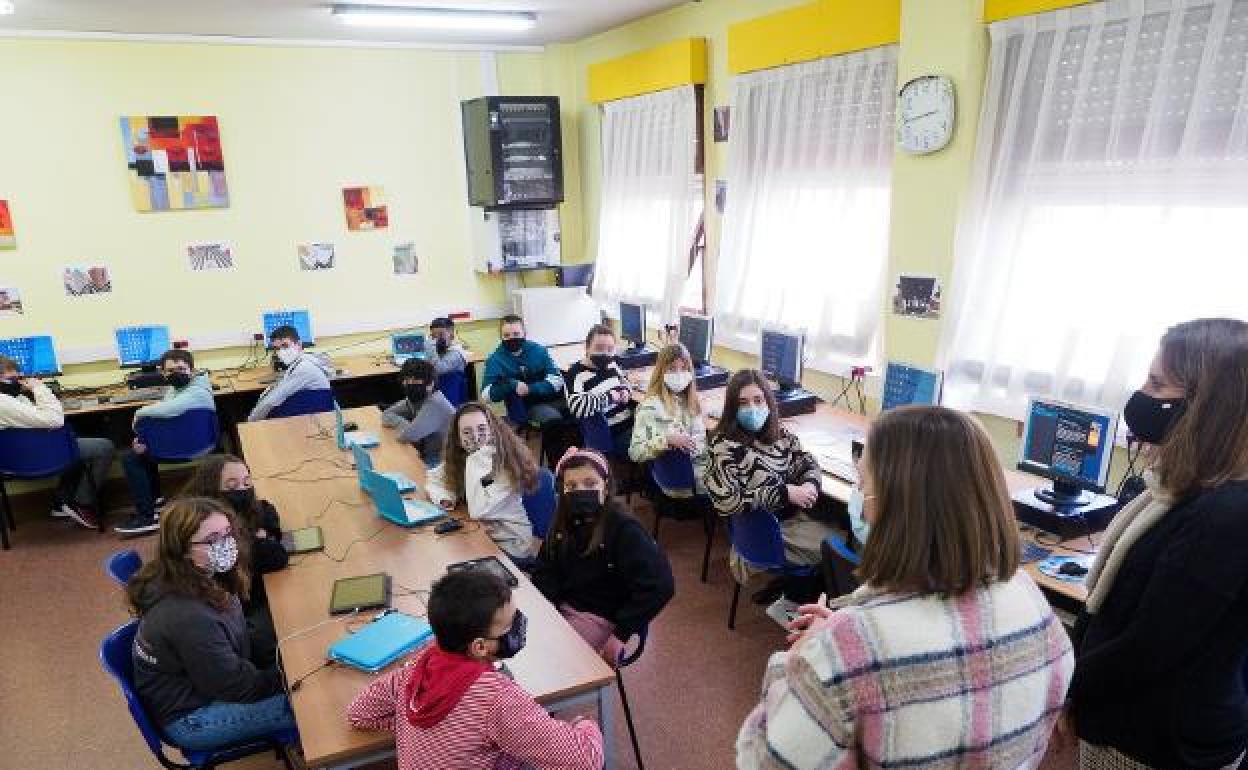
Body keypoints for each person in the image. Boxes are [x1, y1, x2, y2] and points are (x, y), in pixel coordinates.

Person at [737, 406, 1074, 770]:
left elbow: (761, 761)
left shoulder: (848, 648)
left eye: (862, 484)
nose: (858, 500)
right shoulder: (1035, 605)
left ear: (894, 507)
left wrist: (802, 658)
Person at [1069, 318, 1248, 770]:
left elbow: (1146, 648)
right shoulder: (1183, 488)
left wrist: (1066, 685)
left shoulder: (1226, 516)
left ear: (1208, 406)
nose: (1143, 395)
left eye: (1157, 383)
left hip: (1157, 743)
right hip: (1131, 722)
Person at [347, 569, 604, 770]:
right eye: (510, 625)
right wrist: (585, 723)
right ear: (479, 647)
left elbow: (359, 713)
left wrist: (414, 728)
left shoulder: (414, 669)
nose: (519, 625)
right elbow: (585, 760)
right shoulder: (496, 699)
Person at [127, 497, 295, 752]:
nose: (226, 544)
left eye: (228, 534)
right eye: (212, 539)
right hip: (193, 718)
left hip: (213, 685)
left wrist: (285, 658)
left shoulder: (206, 574)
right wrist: (290, 675)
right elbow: (238, 687)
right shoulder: (187, 615)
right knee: (310, 705)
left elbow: (236, 639)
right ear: (181, 548)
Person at [706, 369, 827, 627]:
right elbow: (725, 501)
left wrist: (809, 482)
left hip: (785, 521)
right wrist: (785, 493)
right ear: (732, 407)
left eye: (759, 400)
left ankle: (798, 599)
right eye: (743, 402)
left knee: (831, 520)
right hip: (767, 535)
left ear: (769, 402)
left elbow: (806, 460)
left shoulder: (779, 436)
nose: (753, 408)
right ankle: (804, 608)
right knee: (839, 544)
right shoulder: (723, 445)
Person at [532, 447, 674, 664]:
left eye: (590, 484)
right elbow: (546, 569)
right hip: (563, 606)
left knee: (544, 661)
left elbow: (660, 586)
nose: (580, 491)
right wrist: (545, 609)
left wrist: (622, 633)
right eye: (572, 486)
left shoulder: (623, 528)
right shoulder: (563, 520)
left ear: (605, 487)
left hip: (601, 616)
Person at [181, 454, 287, 666]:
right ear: (211, 490)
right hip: (236, 626)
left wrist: (263, 533)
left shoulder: (219, 515)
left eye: (247, 482)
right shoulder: (209, 529)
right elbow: (276, 556)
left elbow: (266, 509)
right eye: (232, 486)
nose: (243, 490)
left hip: (234, 609)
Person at [0, 354, 114, 529]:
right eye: (11, 379)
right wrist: (40, 388)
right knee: (103, 447)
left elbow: (37, 418)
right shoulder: (3, 402)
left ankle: (62, 503)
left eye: (18, 377)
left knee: (74, 444)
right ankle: (82, 504)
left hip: (23, 454)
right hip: (31, 457)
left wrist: (28, 398)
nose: (17, 382)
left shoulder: (11, 398)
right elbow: (54, 420)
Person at [116, 349, 216, 535]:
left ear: (192, 370)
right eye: (170, 371)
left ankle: (146, 517)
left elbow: (169, 409)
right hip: (188, 439)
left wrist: (139, 413)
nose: (175, 374)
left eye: (181, 368)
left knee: (131, 458)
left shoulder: (198, 391)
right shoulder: (176, 388)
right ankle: (155, 500)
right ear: (162, 373)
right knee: (141, 450)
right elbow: (164, 411)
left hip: (189, 445)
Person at [425, 402, 540, 560]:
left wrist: (477, 458)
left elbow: (478, 510)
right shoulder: (463, 457)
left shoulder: (505, 465)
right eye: (467, 432)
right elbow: (434, 477)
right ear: (458, 439)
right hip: (481, 533)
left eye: (482, 429)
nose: (476, 437)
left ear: (493, 430)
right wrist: (445, 497)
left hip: (512, 544)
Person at [481, 315, 568, 461]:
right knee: (553, 422)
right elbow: (486, 395)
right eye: (506, 335)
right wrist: (511, 384)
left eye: (516, 334)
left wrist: (531, 388)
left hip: (551, 397)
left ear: (524, 333)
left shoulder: (538, 350)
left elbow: (557, 380)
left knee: (580, 412)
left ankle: (577, 459)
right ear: (501, 336)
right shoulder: (495, 359)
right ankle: (557, 467)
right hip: (526, 406)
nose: (512, 338)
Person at [629, 342, 709, 496]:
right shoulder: (651, 407)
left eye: (684, 368)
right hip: (684, 480)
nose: (679, 374)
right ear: (661, 372)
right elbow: (635, 452)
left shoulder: (690, 401)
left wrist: (694, 446)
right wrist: (666, 440)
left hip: (696, 466)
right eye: (672, 369)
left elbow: (700, 439)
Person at [564, 324, 636, 458]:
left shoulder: (611, 364)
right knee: (657, 444)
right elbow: (576, 407)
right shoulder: (576, 373)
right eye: (599, 348)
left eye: (610, 349)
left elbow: (625, 382)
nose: (605, 353)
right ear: (587, 347)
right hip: (611, 433)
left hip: (631, 423)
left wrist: (626, 390)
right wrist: (609, 397)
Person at [246, 324, 333, 421]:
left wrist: (251, 421)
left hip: (306, 419)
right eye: (277, 349)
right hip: (306, 416)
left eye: (285, 346)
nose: (281, 352)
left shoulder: (303, 368)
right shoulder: (300, 363)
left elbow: (271, 401)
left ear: (299, 345)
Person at [381, 357, 455, 467]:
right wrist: (405, 424)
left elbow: (407, 436)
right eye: (406, 380)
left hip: (442, 460)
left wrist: (405, 427)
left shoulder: (435, 403)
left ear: (430, 384)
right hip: (425, 453)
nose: (409, 384)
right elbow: (386, 415)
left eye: (415, 381)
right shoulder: (415, 399)